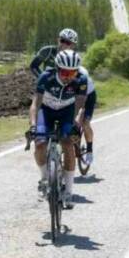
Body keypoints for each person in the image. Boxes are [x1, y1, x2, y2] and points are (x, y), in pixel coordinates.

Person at [28, 49, 87, 210]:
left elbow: (80, 105)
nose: (68, 76)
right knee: (40, 143)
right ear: (57, 68)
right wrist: (33, 125)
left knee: (68, 144)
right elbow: (35, 104)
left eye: (72, 72)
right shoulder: (45, 77)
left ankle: (68, 192)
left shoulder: (80, 80)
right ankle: (44, 179)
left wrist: (75, 124)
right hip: (46, 111)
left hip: (67, 112)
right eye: (64, 72)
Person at [30, 28, 96, 168]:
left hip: (85, 95)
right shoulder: (47, 52)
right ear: (58, 40)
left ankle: (88, 149)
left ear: (74, 45)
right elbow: (33, 66)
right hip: (54, 92)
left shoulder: (75, 63)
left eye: (69, 43)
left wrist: (76, 117)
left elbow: (80, 97)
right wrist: (46, 82)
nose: (65, 44)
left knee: (83, 123)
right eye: (63, 41)